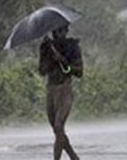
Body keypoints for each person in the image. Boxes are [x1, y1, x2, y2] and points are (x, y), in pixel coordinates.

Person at [38, 24, 83, 160]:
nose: (60, 33)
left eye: (63, 30)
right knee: (57, 131)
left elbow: (79, 72)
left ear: (67, 30)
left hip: (65, 88)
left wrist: (63, 62)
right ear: (53, 32)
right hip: (51, 89)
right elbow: (41, 71)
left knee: (58, 126)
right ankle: (74, 157)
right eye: (57, 30)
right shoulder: (46, 48)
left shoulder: (72, 47)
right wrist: (49, 59)